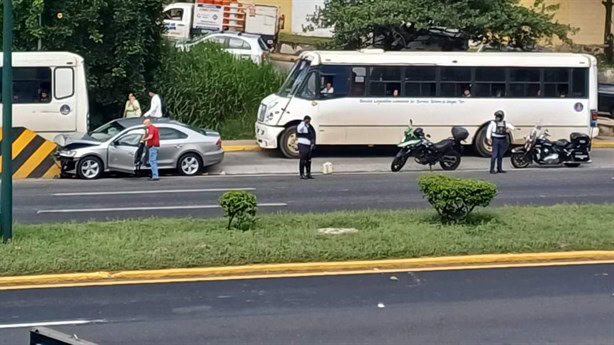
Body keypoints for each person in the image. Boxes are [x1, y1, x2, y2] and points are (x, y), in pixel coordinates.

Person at [486, 110, 514, 174]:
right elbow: (489, 131)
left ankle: (499, 168)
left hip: (502, 139)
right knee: (494, 155)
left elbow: (511, 127)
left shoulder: (503, 123)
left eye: (498, 117)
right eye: (497, 116)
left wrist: (510, 129)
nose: (497, 118)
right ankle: (492, 169)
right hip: (496, 139)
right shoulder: (493, 123)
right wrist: (488, 138)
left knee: (500, 155)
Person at [296, 115, 316, 180]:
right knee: (303, 159)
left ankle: (308, 173)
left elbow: (312, 134)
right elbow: (299, 130)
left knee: (308, 160)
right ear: (305, 120)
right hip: (302, 144)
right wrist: (304, 123)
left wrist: (312, 143)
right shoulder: (301, 125)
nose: (309, 122)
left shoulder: (308, 126)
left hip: (308, 145)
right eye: (308, 120)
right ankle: (302, 174)